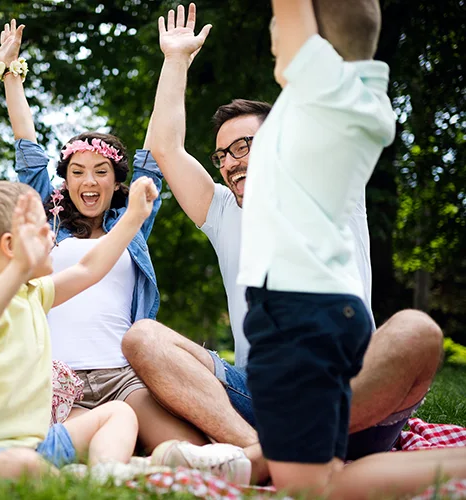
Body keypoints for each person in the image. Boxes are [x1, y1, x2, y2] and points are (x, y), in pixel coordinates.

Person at [123, 2, 444, 485]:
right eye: (222, 155)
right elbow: (166, 148)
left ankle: (259, 459)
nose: (230, 162)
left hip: (354, 388)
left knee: (417, 331)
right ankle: (258, 452)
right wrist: (175, 59)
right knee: (142, 338)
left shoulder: (324, 169)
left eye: (244, 146)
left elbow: (322, 63)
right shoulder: (224, 211)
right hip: (263, 393)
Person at [0, 20, 208, 451]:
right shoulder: (46, 221)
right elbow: (27, 148)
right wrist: (10, 69)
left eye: (100, 171)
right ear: (65, 181)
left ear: (116, 180)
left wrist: (174, 62)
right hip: (56, 378)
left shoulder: (132, 222)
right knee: (81, 455)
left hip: (122, 376)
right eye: (77, 171)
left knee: (191, 452)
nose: (88, 181)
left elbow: (159, 146)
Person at [0, 179, 160, 489]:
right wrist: (17, 272)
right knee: (20, 466)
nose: (53, 235)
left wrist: (133, 217)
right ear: (11, 247)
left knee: (119, 412)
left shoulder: (32, 293)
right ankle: (72, 481)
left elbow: (88, 270)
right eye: (41, 230)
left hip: (39, 445)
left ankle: (104, 477)